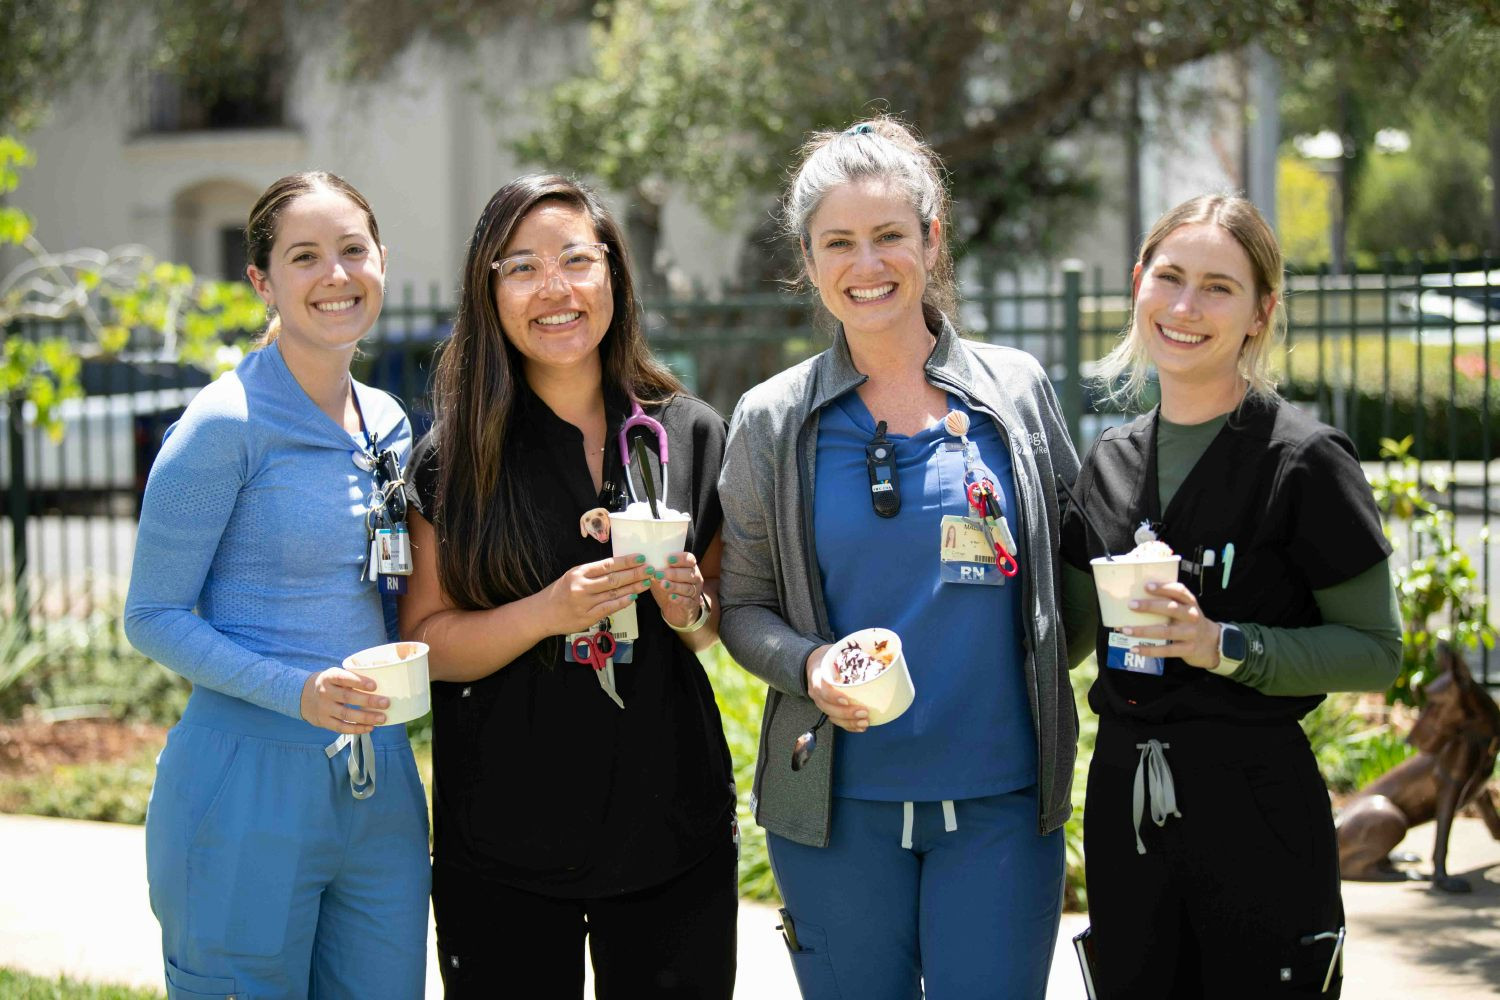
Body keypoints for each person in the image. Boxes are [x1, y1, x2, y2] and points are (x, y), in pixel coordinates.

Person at [716, 117, 1090, 999]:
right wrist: (809, 666)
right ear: (809, 260)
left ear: (931, 238)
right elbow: (743, 606)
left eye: (889, 235)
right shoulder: (772, 419)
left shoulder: (1015, 392)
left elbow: (1071, 577)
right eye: (839, 242)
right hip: (836, 816)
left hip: (1002, 806)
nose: (867, 264)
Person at [399, 174, 737, 998]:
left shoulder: (688, 432)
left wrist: (687, 605)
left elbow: (711, 627)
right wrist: (548, 612)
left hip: (671, 831)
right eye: (522, 267)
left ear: (614, 274)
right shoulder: (454, 458)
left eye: (576, 260)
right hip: (503, 846)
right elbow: (426, 642)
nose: (555, 289)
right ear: (489, 291)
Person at [1060, 194, 1402, 998]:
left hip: (1256, 807)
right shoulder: (1107, 461)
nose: (1186, 307)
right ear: (1138, 284)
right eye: (1170, 277)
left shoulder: (1304, 461)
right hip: (1125, 807)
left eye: (1219, 287)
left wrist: (1225, 645)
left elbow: (1376, 652)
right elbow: (1065, 638)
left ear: (1261, 312)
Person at [124, 172, 430, 997]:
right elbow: (150, 615)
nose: (336, 275)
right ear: (262, 281)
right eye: (304, 257)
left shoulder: (389, 421)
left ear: (382, 260)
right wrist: (297, 693)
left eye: (353, 250)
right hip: (245, 783)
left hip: (380, 777)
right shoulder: (222, 425)